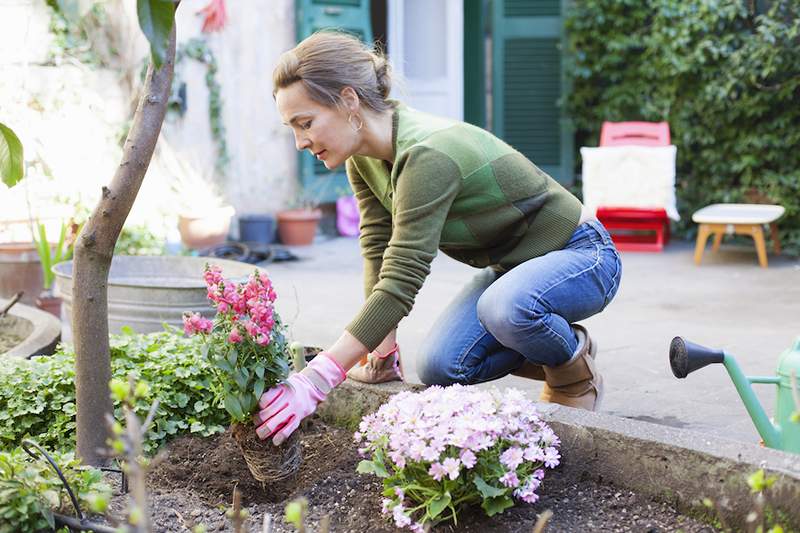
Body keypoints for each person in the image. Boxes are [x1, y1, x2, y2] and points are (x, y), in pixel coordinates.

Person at [254, 31, 622, 446]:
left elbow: (402, 277)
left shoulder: (426, 154)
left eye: (306, 123)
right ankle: (558, 342)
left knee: (506, 308)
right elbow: (379, 246)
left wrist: (317, 379)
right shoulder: (362, 158)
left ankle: (572, 371)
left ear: (348, 100)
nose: (300, 142)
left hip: (583, 254)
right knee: (443, 367)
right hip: (514, 270)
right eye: (292, 128)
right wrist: (382, 350)